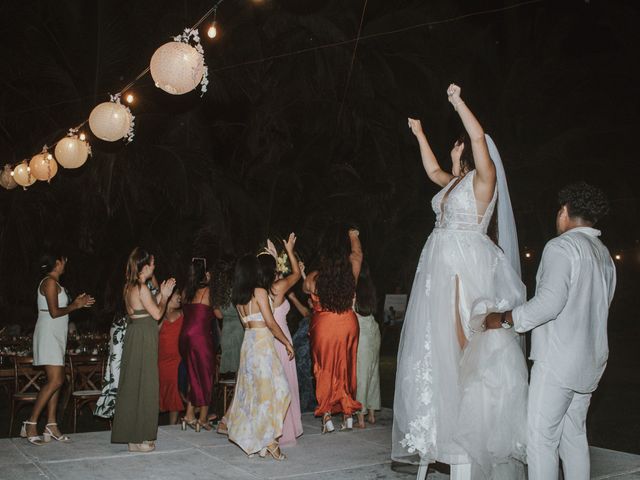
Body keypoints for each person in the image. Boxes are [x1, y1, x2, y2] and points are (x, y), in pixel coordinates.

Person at [392, 84, 528, 479]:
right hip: (437, 267)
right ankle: (442, 425)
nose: (456, 150)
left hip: (464, 267)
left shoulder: (483, 182)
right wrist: (419, 135)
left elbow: (478, 136)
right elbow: (433, 171)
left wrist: (457, 102)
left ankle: (467, 434)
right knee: (437, 350)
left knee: (464, 347)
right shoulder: (452, 184)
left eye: (458, 147)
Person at [485, 182, 616, 480]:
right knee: (574, 437)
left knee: (541, 439)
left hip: (558, 360)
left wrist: (506, 318)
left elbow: (548, 304)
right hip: (591, 360)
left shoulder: (561, 246)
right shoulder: (604, 254)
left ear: (564, 212)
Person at [225, 254, 293, 460]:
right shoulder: (259, 291)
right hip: (262, 343)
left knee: (256, 394)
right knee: (279, 390)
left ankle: (260, 441)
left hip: (249, 343)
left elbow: (248, 323)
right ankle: (270, 441)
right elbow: (271, 323)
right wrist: (286, 342)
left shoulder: (238, 297)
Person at [24, 253, 95, 445]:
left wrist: (76, 304)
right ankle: (30, 423)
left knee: (57, 381)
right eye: (64, 260)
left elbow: (62, 309)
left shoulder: (56, 284)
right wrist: (75, 305)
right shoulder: (48, 282)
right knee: (57, 380)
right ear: (57, 262)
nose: (66, 263)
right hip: (48, 334)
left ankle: (51, 424)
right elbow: (54, 312)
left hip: (57, 334)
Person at [111, 247, 176, 452]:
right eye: (153, 263)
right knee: (145, 383)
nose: (155, 267)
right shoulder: (141, 287)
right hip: (144, 337)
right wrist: (164, 296)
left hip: (136, 334)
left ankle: (133, 437)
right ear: (145, 266)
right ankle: (139, 437)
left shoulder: (130, 286)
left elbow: (147, 308)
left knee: (134, 383)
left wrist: (161, 294)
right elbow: (157, 314)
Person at [303, 225, 363, 433]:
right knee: (346, 367)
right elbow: (357, 254)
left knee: (324, 368)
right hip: (348, 322)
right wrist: (353, 235)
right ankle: (348, 415)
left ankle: (327, 415)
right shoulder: (351, 273)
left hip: (325, 325)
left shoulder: (314, 278)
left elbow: (305, 288)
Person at [257, 234, 304, 446]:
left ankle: (268, 431)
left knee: (271, 388)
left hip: (265, 341)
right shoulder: (279, 287)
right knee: (286, 386)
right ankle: (284, 432)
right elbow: (296, 273)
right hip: (281, 338)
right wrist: (290, 251)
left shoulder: (257, 290)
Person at [95, 266, 159, 419]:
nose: (153, 266)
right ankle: (119, 414)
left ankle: (131, 415)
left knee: (136, 373)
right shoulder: (129, 285)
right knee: (118, 373)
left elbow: (156, 295)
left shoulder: (145, 282)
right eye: (150, 263)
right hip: (123, 327)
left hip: (137, 328)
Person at [179, 259, 216, 432]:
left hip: (185, 336)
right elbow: (219, 315)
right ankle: (202, 419)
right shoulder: (208, 291)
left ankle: (189, 415)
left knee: (194, 374)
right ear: (205, 274)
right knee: (206, 375)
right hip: (200, 337)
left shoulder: (186, 291)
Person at [354, 261, 381, 429]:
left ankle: (361, 418)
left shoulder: (355, 289)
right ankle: (371, 413)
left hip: (362, 330)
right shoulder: (371, 289)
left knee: (361, 374)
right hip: (373, 329)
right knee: (373, 372)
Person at [158, 291, 184, 425]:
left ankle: (172, 425)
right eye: (176, 294)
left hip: (177, 359)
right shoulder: (159, 315)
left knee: (174, 390)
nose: (179, 297)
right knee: (161, 389)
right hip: (161, 360)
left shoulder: (183, 314)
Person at [215, 257, 244, 376]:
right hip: (240, 328)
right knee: (241, 367)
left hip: (226, 331)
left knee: (231, 367)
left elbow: (219, 315)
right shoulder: (239, 290)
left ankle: (231, 393)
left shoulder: (220, 293)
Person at [289, 291, 316, 413]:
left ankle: (307, 406)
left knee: (306, 381)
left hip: (306, 355)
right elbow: (306, 313)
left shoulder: (318, 316)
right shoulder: (310, 315)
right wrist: (293, 297)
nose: (309, 300)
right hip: (300, 355)